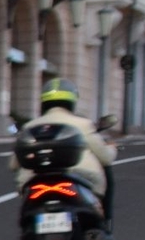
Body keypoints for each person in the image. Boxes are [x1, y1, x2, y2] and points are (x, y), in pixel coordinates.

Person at [14, 82, 118, 231]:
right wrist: (112, 148)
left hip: (34, 180)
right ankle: (106, 224)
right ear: (71, 103)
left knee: (27, 217)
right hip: (80, 177)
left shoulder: (30, 126)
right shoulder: (83, 124)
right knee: (107, 169)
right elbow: (105, 157)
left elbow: (13, 163)